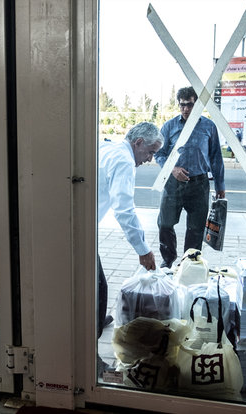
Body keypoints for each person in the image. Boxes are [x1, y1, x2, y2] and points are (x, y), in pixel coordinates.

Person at [98, 122, 161, 339]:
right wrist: (143, 250)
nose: (150, 159)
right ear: (139, 142)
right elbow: (124, 210)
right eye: (150, 152)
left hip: (76, 224)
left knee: (94, 284)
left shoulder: (108, 148)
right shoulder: (124, 161)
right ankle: (91, 347)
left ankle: (94, 320)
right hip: (74, 230)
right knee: (99, 289)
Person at [154, 86, 225, 269]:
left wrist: (220, 186)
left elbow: (216, 157)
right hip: (174, 183)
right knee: (165, 223)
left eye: (190, 105)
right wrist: (173, 169)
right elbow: (159, 154)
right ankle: (168, 259)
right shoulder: (169, 127)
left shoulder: (208, 127)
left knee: (196, 228)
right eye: (182, 105)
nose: (186, 109)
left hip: (199, 184)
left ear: (198, 105)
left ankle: (189, 264)